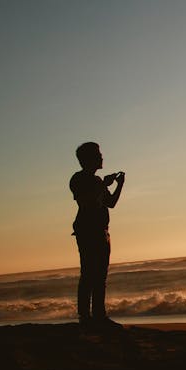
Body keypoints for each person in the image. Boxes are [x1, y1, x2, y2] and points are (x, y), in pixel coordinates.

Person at [69, 141, 124, 328]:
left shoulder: (97, 181)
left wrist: (119, 185)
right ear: (89, 159)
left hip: (102, 231)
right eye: (98, 155)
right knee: (88, 274)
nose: (102, 157)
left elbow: (111, 203)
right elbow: (86, 202)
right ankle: (85, 317)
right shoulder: (78, 179)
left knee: (100, 275)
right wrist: (103, 186)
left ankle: (99, 315)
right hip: (87, 232)